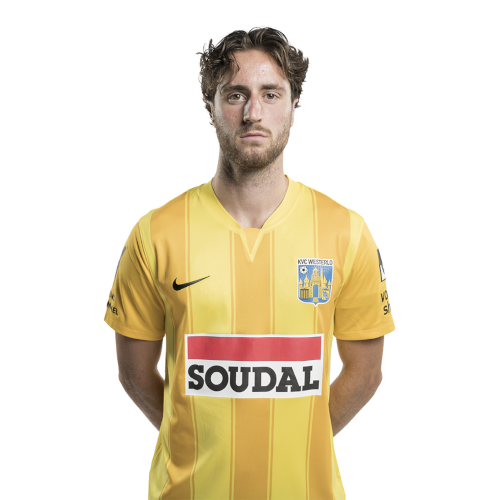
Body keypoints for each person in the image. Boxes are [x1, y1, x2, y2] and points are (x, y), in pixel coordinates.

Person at [103, 25, 395, 500]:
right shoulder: (155, 232)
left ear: (294, 104)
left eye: (271, 94)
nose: (253, 113)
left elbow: (366, 372)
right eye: (235, 94)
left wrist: (299, 442)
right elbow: (133, 375)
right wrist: (194, 437)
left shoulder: (346, 231)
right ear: (209, 107)